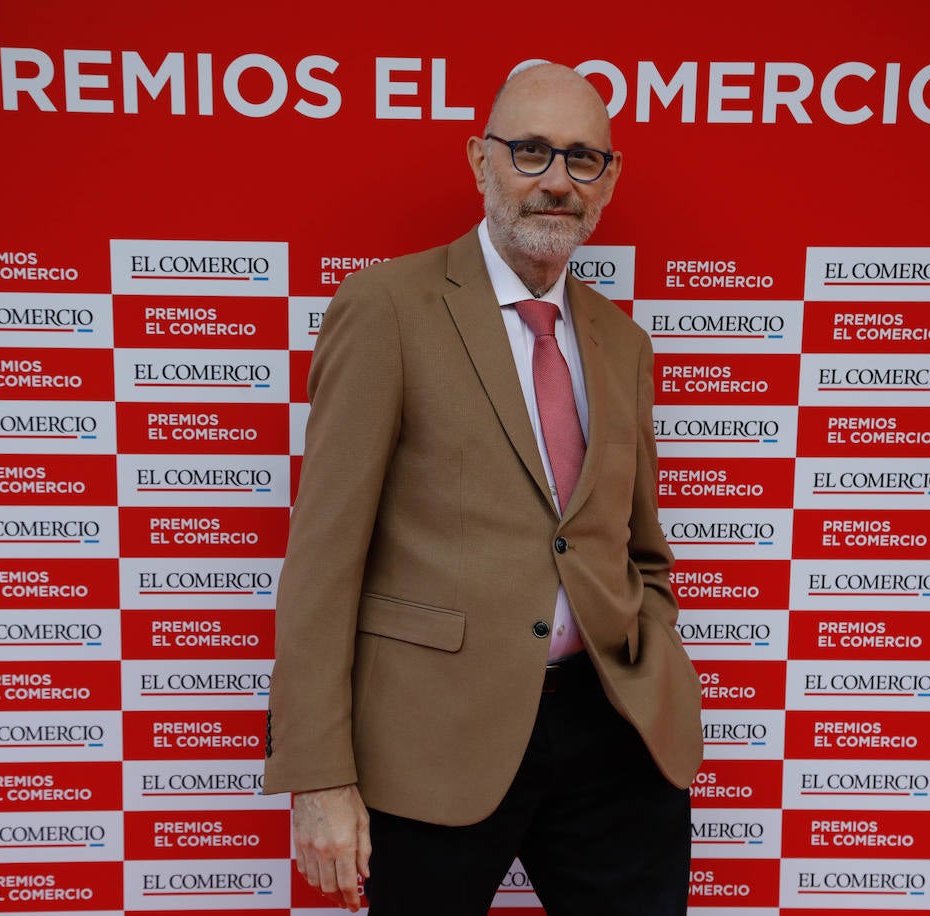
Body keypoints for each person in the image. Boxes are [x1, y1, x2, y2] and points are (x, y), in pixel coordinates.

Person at [264, 61, 703, 915]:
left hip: (613, 734)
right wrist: (318, 775)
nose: (555, 181)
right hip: (434, 744)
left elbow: (639, 547)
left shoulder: (622, 342)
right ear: (479, 161)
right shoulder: (387, 306)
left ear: (608, 183)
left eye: (582, 159)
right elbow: (323, 561)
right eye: (530, 150)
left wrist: (650, 654)